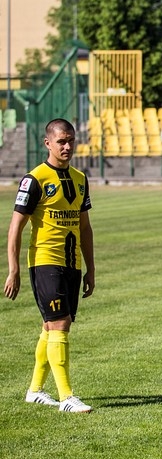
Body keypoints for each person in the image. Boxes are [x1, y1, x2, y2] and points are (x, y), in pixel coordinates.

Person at [5, 119, 95, 413]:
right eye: (61, 142)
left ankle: (35, 391)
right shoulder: (34, 179)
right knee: (60, 324)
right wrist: (14, 270)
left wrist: (91, 268)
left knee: (50, 326)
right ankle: (66, 397)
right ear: (48, 143)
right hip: (45, 261)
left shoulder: (80, 179)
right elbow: (16, 227)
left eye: (70, 141)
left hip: (72, 263)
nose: (67, 146)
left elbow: (84, 227)